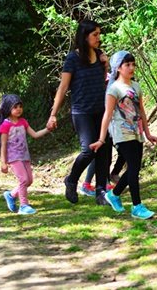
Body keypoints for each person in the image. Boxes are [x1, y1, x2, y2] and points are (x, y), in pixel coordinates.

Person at [90, 51, 157, 220]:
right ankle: (137, 206)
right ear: (118, 68)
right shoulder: (114, 89)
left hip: (137, 132)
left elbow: (141, 111)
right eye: (127, 65)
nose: (131, 68)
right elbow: (107, 115)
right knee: (134, 170)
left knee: (134, 170)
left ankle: (114, 194)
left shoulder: (136, 87)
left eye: (133, 64)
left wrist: (148, 133)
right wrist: (101, 138)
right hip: (121, 133)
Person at [47, 19, 110, 205]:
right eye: (95, 35)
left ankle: (101, 192)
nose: (99, 38)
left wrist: (105, 65)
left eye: (99, 34)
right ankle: (72, 179)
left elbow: (105, 81)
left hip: (101, 110)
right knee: (88, 150)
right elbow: (63, 87)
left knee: (104, 149)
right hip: (82, 112)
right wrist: (53, 113)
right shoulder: (72, 59)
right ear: (84, 36)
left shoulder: (100, 55)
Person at [0, 94, 50, 215]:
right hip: (13, 158)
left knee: (29, 181)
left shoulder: (23, 122)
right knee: (23, 180)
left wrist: (48, 129)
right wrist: (3, 163)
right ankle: (24, 206)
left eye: (20, 106)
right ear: (8, 109)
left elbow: (35, 134)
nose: (19, 109)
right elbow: (3, 145)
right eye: (15, 107)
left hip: (24, 156)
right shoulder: (5, 125)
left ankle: (11, 195)